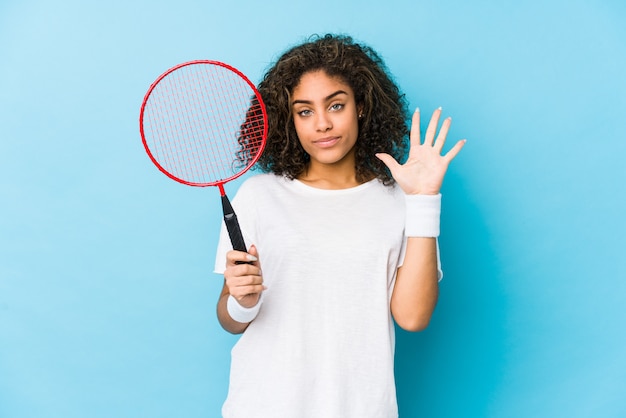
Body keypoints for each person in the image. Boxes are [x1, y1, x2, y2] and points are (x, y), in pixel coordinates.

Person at [214, 34, 465, 418]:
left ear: (361, 107)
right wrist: (243, 302)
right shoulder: (258, 196)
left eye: (335, 105)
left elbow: (413, 318)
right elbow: (230, 319)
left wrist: (424, 200)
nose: (323, 124)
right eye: (304, 111)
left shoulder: (401, 200)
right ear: (288, 119)